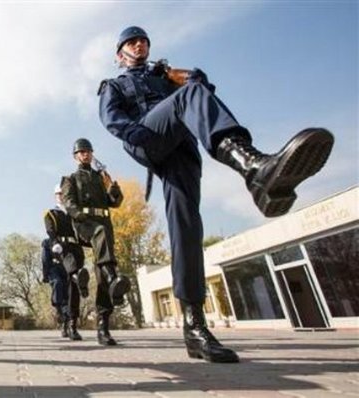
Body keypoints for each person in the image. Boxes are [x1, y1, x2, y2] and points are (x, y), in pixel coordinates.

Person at [98, 26, 334, 363]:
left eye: (144, 41)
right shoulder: (115, 84)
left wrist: (189, 76)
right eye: (133, 42)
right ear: (120, 53)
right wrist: (141, 136)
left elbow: (204, 94)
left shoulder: (166, 76)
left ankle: (195, 329)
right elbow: (112, 118)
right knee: (187, 96)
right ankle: (252, 167)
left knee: (187, 227)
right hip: (146, 137)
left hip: (181, 149)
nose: (140, 44)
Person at [61, 139, 131, 346]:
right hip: (84, 224)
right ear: (75, 156)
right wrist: (78, 216)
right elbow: (69, 203)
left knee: (102, 272)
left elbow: (114, 203)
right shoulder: (70, 178)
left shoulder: (101, 177)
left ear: (92, 154)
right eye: (81, 152)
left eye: (88, 151)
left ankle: (103, 328)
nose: (85, 155)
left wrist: (113, 187)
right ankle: (112, 276)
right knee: (102, 241)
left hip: (103, 223)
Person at [41, 183, 90, 341]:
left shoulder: (74, 213)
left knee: (73, 289)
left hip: (76, 248)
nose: (62, 196)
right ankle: (68, 323)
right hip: (62, 249)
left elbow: (83, 231)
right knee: (66, 285)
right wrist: (54, 241)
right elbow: (50, 229)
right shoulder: (51, 213)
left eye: (64, 194)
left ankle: (72, 324)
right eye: (59, 194)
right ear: (55, 196)